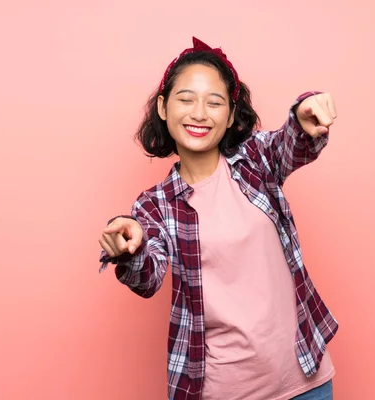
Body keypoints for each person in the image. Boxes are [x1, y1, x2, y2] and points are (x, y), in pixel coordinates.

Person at [98, 37, 339, 400]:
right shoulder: (156, 205)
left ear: (229, 115)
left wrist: (306, 113)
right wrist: (129, 250)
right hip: (226, 392)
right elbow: (147, 275)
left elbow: (293, 142)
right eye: (186, 99)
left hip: (307, 381)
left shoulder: (255, 159)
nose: (199, 113)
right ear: (163, 107)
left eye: (214, 102)